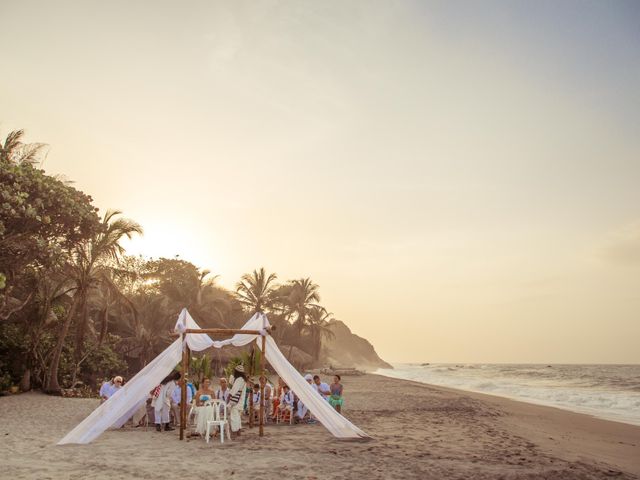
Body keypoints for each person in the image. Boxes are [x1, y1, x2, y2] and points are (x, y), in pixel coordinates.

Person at [228, 365, 247, 437]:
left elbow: (234, 390)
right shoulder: (242, 379)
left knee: (234, 416)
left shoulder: (239, 379)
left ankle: (235, 432)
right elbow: (232, 383)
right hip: (240, 400)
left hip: (237, 401)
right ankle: (238, 431)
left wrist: (229, 395)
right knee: (237, 416)